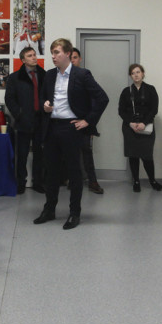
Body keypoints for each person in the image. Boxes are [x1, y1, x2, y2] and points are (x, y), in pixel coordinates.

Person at [34, 38, 108, 230]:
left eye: (57, 52)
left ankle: (74, 213)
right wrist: (45, 105)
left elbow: (102, 98)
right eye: (52, 53)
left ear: (68, 53)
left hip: (72, 128)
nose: (53, 56)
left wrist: (88, 120)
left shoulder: (82, 75)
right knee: (51, 172)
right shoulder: (50, 75)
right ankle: (49, 210)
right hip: (52, 127)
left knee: (74, 173)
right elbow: (42, 98)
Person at [5, 46, 46, 194]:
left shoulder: (44, 75)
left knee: (39, 154)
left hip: (41, 120)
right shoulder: (14, 78)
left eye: (34, 55)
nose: (34, 57)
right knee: (21, 154)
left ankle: (38, 182)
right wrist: (19, 114)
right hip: (23, 121)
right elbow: (9, 99)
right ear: (23, 60)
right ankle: (20, 182)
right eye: (30, 55)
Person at [118, 63, 162, 192]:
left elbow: (154, 109)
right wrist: (130, 123)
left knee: (147, 155)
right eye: (133, 73)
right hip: (130, 128)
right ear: (130, 76)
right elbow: (121, 111)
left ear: (143, 73)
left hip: (146, 126)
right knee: (133, 155)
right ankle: (136, 181)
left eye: (138, 72)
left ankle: (152, 181)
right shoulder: (126, 91)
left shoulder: (150, 89)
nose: (136, 75)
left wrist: (144, 123)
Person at [70, 48, 103, 194]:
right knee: (69, 153)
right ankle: (71, 180)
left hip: (84, 123)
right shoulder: (62, 77)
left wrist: (89, 122)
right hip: (67, 123)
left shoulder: (85, 76)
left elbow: (96, 101)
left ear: (80, 59)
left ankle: (93, 181)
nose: (72, 60)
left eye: (75, 57)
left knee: (86, 153)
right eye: (70, 58)